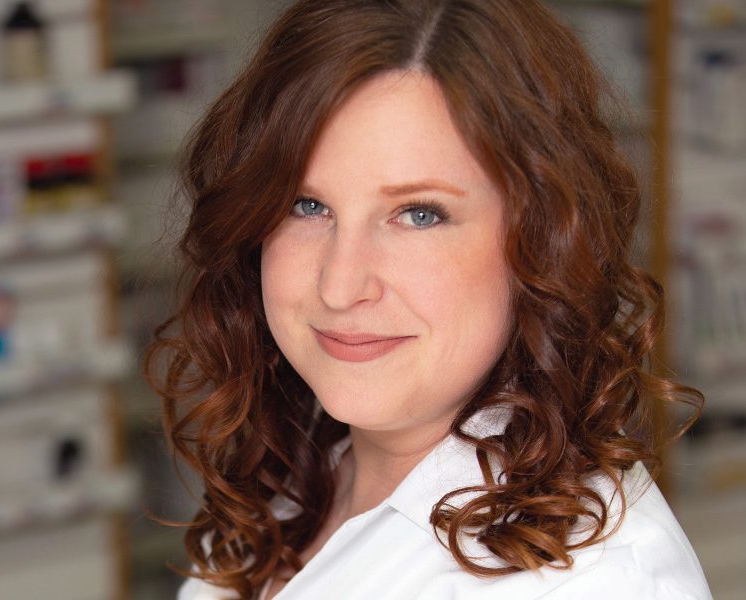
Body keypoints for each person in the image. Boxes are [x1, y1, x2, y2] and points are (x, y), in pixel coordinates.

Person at [144, 1, 711, 598]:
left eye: (418, 214)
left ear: (543, 241)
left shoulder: (594, 581)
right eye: (307, 206)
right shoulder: (292, 483)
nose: (339, 286)